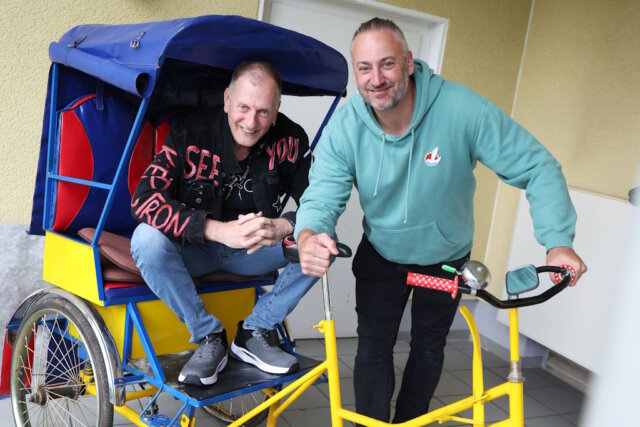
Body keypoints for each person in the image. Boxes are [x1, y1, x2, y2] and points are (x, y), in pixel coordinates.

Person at [294, 18, 587, 423]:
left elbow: (537, 165)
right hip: (381, 253)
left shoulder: (462, 109)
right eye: (364, 68)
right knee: (372, 348)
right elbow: (322, 193)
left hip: (446, 256)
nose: (376, 78)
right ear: (355, 72)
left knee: (429, 347)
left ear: (409, 63)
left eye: (387, 64)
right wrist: (309, 233)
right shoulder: (345, 128)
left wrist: (558, 242)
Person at [130, 61, 317, 386]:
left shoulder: (292, 139)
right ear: (227, 99)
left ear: (276, 111)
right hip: (194, 249)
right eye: (243, 107)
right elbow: (144, 198)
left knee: (320, 240)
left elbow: (320, 204)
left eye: (263, 111)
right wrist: (215, 229)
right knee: (145, 239)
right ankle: (208, 335)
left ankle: (256, 329)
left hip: (256, 249)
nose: (251, 121)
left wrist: (283, 226)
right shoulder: (191, 132)